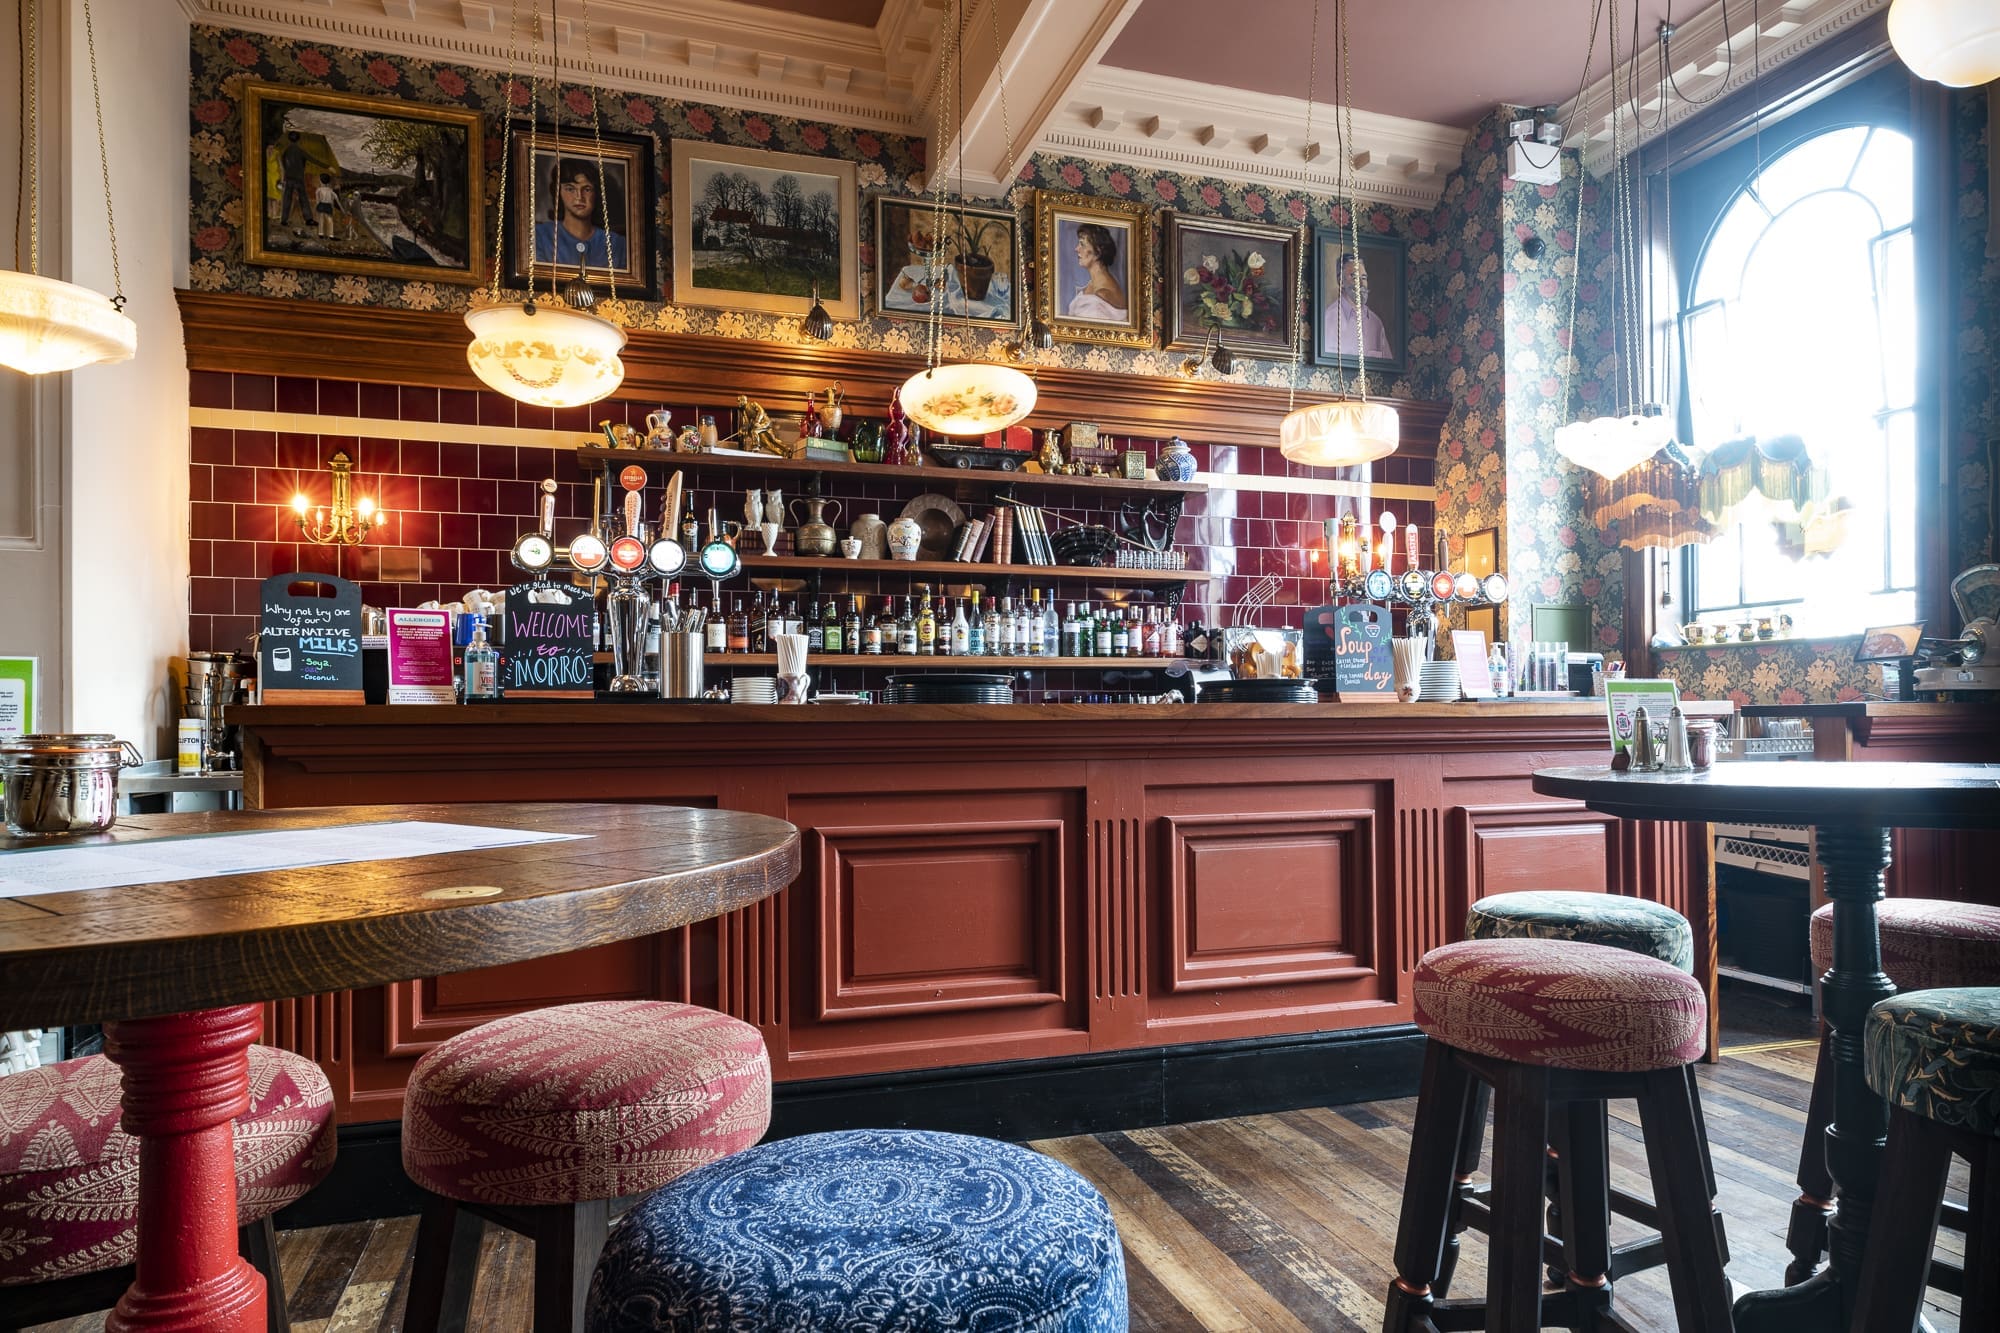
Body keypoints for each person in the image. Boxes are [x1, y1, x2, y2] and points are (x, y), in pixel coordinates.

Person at [533, 157, 628, 269]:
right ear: (558, 192)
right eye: (570, 189)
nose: (579, 197)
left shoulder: (617, 244)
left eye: (587, 189)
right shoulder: (539, 236)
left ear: (596, 194)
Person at [1323, 251, 1392, 359]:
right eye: (1354, 277)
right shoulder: (1327, 320)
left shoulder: (1376, 323)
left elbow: (1388, 365)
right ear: (1341, 281)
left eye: (1364, 278)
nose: (1361, 284)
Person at [1064, 223, 1127, 322]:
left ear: (1098, 252)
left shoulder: (1101, 297)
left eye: (1082, 244)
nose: (1076, 249)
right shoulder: (1092, 285)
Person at [278, 129, 310, 233]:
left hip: (289, 177)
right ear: (298, 139)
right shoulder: (300, 150)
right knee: (303, 198)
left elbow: (283, 163)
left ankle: (284, 220)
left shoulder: (286, 151)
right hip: (299, 177)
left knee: (287, 199)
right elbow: (308, 160)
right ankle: (308, 219)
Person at [313, 172, 341, 239]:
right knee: (330, 220)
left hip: (321, 205)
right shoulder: (330, 190)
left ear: (321, 181)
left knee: (321, 220)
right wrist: (333, 207)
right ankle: (331, 235)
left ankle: (321, 233)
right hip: (328, 206)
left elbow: (317, 200)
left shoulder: (318, 190)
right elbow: (332, 200)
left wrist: (317, 206)